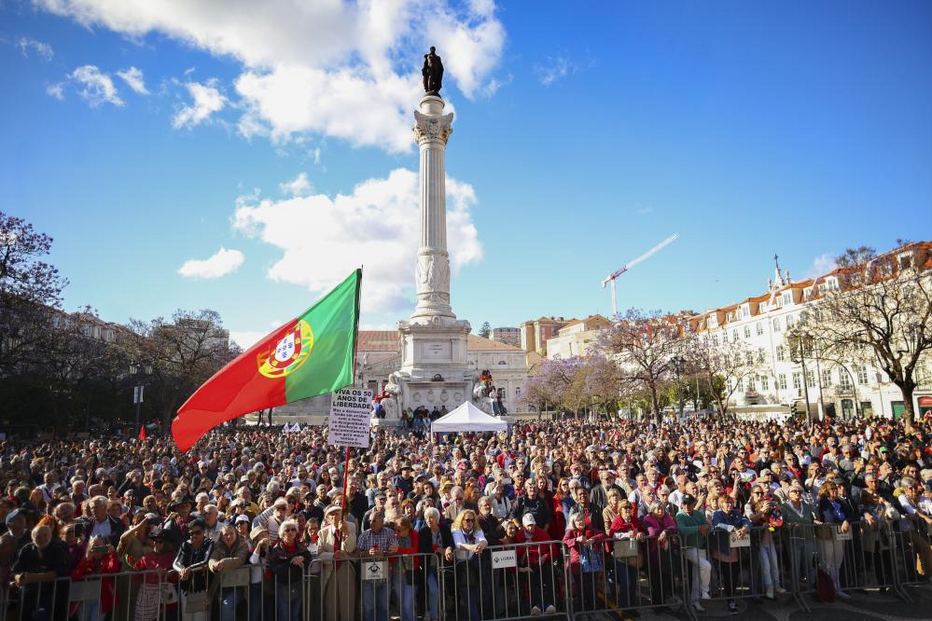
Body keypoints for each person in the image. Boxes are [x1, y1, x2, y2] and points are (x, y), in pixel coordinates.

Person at [11, 524, 71, 621]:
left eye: (45, 535)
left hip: (52, 594)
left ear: (51, 534)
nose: (42, 538)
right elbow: (16, 570)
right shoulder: (27, 549)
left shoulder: (58, 547)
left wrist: (31, 578)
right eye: (38, 536)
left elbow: (59, 571)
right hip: (29, 595)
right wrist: (19, 578)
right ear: (32, 538)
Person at [710, 494, 751, 614]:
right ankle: (730, 599)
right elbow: (717, 524)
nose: (729, 505)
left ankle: (732, 596)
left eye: (730, 503)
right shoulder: (717, 514)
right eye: (726, 503)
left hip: (736, 549)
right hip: (723, 549)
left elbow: (747, 521)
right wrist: (731, 528)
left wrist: (744, 528)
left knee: (735, 574)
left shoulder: (736, 512)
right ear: (721, 504)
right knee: (728, 576)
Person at [266, 518, 312, 621]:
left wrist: (302, 558)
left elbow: (309, 560)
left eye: (293, 529)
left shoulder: (301, 546)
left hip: (298, 583)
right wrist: (291, 562)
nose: (290, 532)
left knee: (295, 615)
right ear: (282, 533)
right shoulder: (276, 549)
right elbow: (275, 569)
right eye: (287, 530)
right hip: (282, 586)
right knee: (284, 616)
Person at [356, 510, 398, 621]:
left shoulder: (389, 533)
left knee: (383, 607)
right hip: (367, 578)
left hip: (384, 577)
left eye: (374, 520)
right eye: (370, 521)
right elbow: (356, 553)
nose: (371, 523)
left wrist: (383, 553)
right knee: (369, 608)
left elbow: (395, 550)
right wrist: (366, 553)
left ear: (382, 521)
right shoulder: (364, 534)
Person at [318, 505, 357, 621]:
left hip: (346, 567)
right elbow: (319, 554)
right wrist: (332, 556)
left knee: (347, 603)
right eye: (332, 514)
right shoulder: (322, 533)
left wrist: (346, 534)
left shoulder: (351, 526)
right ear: (328, 518)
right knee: (331, 604)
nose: (335, 516)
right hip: (330, 568)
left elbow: (351, 549)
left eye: (338, 513)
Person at [675, 494, 711, 613]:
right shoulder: (679, 515)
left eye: (689, 503)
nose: (686, 506)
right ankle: (704, 590)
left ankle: (695, 601)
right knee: (706, 566)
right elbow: (682, 529)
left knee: (696, 576)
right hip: (688, 548)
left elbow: (708, 527)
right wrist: (698, 528)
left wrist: (704, 528)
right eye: (684, 503)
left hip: (700, 547)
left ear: (693, 504)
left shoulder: (698, 514)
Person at [515, 512, 557, 616]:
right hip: (527, 565)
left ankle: (550, 604)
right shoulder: (519, 535)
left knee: (550, 574)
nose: (531, 527)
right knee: (530, 579)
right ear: (524, 526)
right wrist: (524, 547)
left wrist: (546, 556)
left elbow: (554, 549)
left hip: (542, 563)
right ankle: (535, 606)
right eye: (528, 525)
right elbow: (516, 553)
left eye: (532, 524)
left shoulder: (542, 533)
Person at [564, 510, 605, 612]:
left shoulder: (589, 529)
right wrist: (576, 540)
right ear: (573, 522)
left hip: (591, 563)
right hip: (578, 563)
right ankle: (582, 608)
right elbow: (564, 542)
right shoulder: (570, 531)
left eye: (582, 519)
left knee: (592, 585)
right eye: (578, 521)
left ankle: (593, 607)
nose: (581, 522)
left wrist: (593, 539)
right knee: (581, 587)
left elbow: (603, 534)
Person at [173, 517, 214, 620]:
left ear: (203, 532)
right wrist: (182, 570)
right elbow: (176, 562)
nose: (194, 535)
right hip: (186, 588)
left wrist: (189, 569)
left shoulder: (209, 543)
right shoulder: (185, 544)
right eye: (191, 533)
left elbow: (206, 562)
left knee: (200, 618)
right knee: (186, 618)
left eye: (197, 532)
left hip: (202, 588)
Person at [417, 506, 453, 621]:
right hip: (429, 567)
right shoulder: (423, 531)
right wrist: (438, 550)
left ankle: (441, 611)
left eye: (431, 517)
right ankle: (434, 616)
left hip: (444, 565)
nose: (428, 520)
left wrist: (448, 549)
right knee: (433, 589)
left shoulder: (444, 529)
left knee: (442, 590)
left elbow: (450, 543)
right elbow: (422, 548)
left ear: (437, 518)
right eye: (427, 518)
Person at [71, 534, 120, 621]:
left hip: (101, 598)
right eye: (94, 546)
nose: (96, 549)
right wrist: (86, 559)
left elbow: (113, 570)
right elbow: (75, 576)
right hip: (85, 596)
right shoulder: (86, 558)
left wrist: (112, 553)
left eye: (99, 546)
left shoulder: (109, 558)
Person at [816, 481, 852, 598]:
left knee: (837, 562)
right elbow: (831, 518)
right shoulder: (823, 503)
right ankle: (826, 588)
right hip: (827, 535)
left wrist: (846, 520)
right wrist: (843, 519)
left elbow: (851, 514)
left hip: (839, 534)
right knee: (826, 562)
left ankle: (836, 587)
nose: (835, 491)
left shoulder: (839, 501)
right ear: (826, 491)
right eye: (832, 489)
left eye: (836, 488)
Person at [451, 509, 488, 621]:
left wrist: (480, 545)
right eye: (467, 520)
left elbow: (484, 541)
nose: (470, 523)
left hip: (474, 566)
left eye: (472, 520)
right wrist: (472, 547)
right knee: (468, 598)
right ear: (462, 521)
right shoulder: (456, 530)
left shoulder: (476, 530)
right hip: (462, 567)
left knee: (474, 598)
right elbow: (458, 544)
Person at [607, 500, 643, 614]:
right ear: (620, 510)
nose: (628, 510)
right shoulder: (617, 520)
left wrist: (640, 534)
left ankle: (632, 608)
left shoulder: (635, 520)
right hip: (621, 555)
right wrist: (626, 534)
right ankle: (624, 608)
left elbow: (642, 531)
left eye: (629, 507)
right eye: (625, 508)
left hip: (632, 553)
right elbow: (612, 534)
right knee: (625, 582)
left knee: (633, 582)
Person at [208, 524, 249, 621]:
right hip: (220, 586)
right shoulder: (218, 546)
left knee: (227, 604)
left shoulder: (243, 545)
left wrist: (223, 563)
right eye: (226, 534)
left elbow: (240, 559)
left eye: (231, 534)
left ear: (236, 534)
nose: (229, 537)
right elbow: (212, 559)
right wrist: (214, 566)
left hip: (238, 586)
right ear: (222, 537)